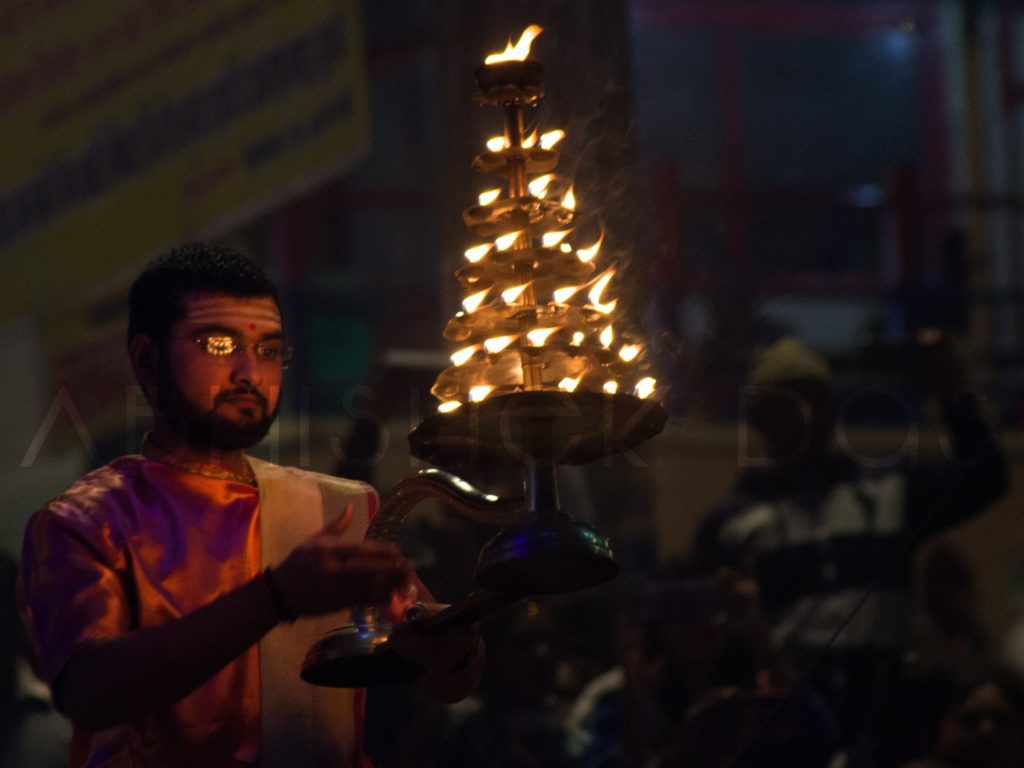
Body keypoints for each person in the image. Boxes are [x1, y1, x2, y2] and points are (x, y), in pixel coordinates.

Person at [17, 243, 483, 768]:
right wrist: (277, 597)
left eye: (268, 350)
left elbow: (447, 681)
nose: (249, 372)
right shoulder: (84, 522)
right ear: (147, 359)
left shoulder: (338, 508)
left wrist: (454, 649)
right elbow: (89, 692)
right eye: (219, 344)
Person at [693, 335, 1008, 749]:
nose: (806, 414)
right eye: (788, 401)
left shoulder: (888, 491)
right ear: (759, 417)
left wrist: (953, 396)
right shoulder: (731, 524)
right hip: (788, 736)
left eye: (816, 398)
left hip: (887, 730)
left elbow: (985, 477)